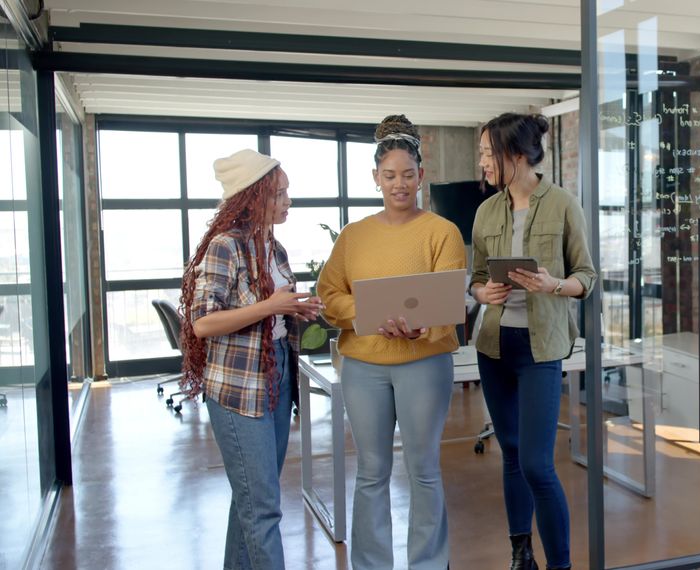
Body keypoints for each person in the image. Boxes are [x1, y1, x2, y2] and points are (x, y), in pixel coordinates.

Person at [318, 114, 466, 570]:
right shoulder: (352, 236)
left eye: (407, 175)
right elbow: (328, 295)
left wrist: (423, 328)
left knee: (423, 471)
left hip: (424, 365)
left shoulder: (442, 233)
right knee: (371, 472)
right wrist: (365, 315)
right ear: (376, 179)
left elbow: (450, 299)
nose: (398, 184)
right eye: (389, 176)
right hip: (363, 367)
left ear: (421, 176)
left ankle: (428, 563)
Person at [178, 149, 323, 570]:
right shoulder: (226, 247)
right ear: (253, 195)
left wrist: (294, 309)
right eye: (279, 194)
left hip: (276, 373)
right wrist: (269, 306)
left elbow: (272, 310)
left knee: (251, 499)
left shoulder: (274, 249)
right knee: (263, 508)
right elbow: (203, 323)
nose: (287, 202)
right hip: (238, 388)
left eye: (287, 193)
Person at [470, 113, 597, 570]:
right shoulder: (486, 211)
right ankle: (520, 553)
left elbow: (587, 276)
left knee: (538, 465)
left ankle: (559, 565)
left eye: (488, 153)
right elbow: (477, 278)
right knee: (512, 453)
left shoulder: (562, 203)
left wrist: (553, 285)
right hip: (494, 345)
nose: (482, 161)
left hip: (541, 347)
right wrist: (482, 291)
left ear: (515, 155)